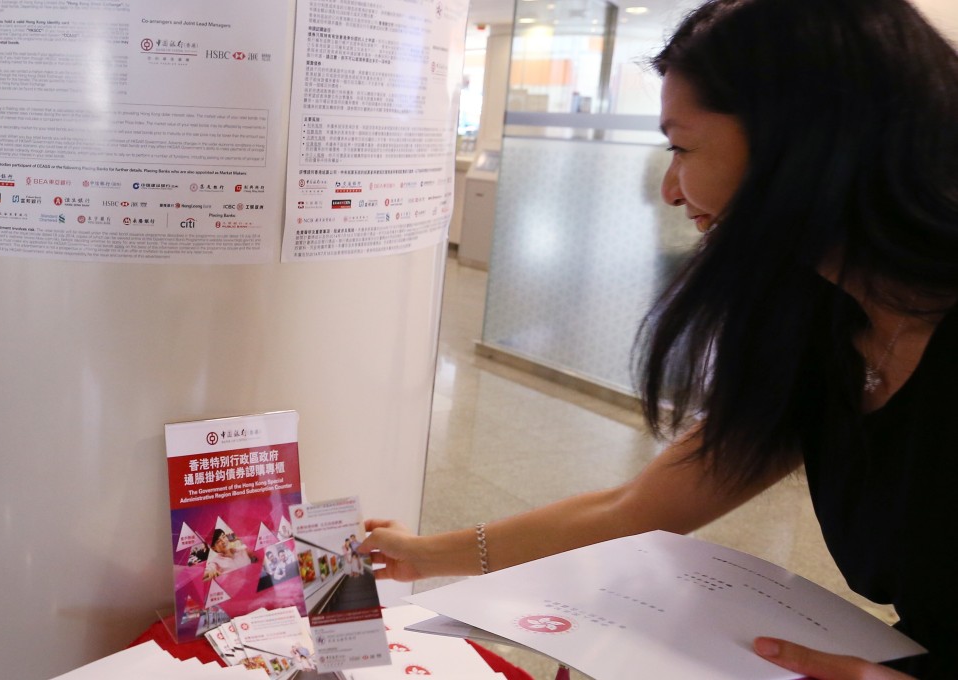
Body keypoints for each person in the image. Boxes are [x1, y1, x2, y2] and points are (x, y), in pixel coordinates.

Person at [359, 0, 958, 677]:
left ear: (802, 143)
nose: (671, 190)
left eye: (682, 146)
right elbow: (636, 507)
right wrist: (422, 554)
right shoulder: (821, 329)